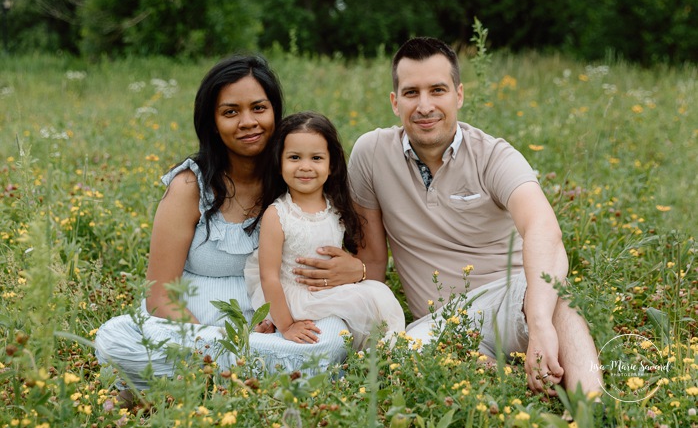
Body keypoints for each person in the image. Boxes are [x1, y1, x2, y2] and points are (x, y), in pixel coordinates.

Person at [296, 37, 602, 396]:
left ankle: (594, 407)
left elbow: (543, 229)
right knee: (399, 352)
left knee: (558, 301)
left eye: (437, 90)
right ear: (395, 102)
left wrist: (539, 325)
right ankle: (530, 383)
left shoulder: (493, 156)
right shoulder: (372, 154)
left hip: (509, 298)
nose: (425, 105)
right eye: (411, 93)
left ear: (458, 95)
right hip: (437, 323)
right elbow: (374, 259)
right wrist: (353, 277)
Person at [94, 55, 354, 393]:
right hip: (197, 330)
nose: (248, 121)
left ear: (275, 112)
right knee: (115, 338)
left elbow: (342, 248)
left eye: (259, 108)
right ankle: (253, 372)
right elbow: (160, 295)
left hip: (282, 327)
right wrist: (210, 342)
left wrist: (356, 270)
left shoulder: (298, 176)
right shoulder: (189, 187)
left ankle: (203, 379)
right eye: (231, 112)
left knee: (333, 341)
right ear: (212, 122)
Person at [244, 112, 404, 350]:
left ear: (331, 166)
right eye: (295, 157)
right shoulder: (277, 215)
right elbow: (269, 277)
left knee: (379, 296)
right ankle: (279, 326)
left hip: (329, 292)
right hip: (295, 295)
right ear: (279, 163)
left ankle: (384, 357)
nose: (305, 167)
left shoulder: (336, 208)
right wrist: (287, 325)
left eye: (316, 158)